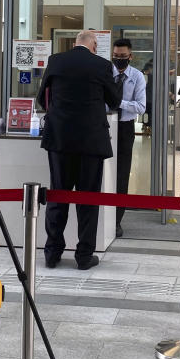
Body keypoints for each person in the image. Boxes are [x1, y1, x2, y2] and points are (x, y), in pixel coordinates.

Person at [37, 30, 121, 270]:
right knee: (88, 199)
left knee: (58, 195)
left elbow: (42, 99)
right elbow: (114, 101)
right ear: (93, 45)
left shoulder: (56, 61)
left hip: (60, 140)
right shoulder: (102, 65)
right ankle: (84, 256)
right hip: (91, 142)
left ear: (75, 44)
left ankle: (52, 254)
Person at [110, 38, 146, 238]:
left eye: (123, 56)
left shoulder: (137, 76)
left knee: (122, 174)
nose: (119, 59)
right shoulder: (106, 74)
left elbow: (141, 107)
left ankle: (116, 220)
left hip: (125, 129)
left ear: (130, 56)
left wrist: (118, 102)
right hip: (105, 126)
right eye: (116, 56)